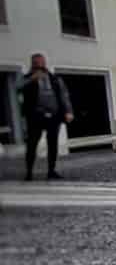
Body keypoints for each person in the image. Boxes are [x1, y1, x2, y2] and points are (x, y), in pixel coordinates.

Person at [19, 53, 73, 181]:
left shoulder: (54, 78)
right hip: (35, 116)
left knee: (52, 144)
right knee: (32, 144)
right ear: (32, 64)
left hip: (54, 116)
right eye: (36, 63)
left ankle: (51, 171)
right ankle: (29, 173)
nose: (39, 65)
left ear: (45, 63)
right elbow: (16, 88)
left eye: (41, 62)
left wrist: (68, 111)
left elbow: (64, 95)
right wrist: (32, 78)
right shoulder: (26, 78)